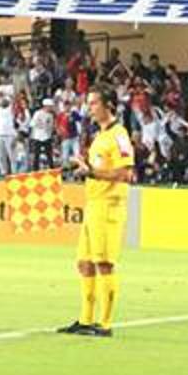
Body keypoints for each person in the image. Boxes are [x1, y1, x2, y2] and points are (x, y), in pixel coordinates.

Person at [59, 85, 135, 338]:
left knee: (104, 263)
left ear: (108, 105)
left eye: (93, 103)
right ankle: (86, 319)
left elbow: (126, 173)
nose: (89, 108)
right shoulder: (99, 136)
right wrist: (83, 168)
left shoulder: (119, 135)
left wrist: (91, 172)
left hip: (109, 207)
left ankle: (105, 323)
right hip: (93, 205)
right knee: (84, 263)